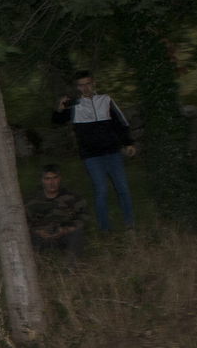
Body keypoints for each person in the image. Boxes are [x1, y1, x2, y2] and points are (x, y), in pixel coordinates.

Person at [52, 71, 137, 232]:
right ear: (77, 87)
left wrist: (128, 143)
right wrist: (59, 109)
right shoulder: (75, 105)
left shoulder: (106, 100)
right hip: (92, 156)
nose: (85, 87)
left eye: (88, 83)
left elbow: (121, 123)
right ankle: (105, 229)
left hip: (113, 153)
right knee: (101, 191)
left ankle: (130, 224)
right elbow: (57, 121)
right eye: (81, 85)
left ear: (93, 83)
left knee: (123, 188)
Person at [25, 164, 87, 264]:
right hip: (40, 237)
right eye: (48, 179)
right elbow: (24, 222)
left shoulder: (71, 196)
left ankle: (70, 269)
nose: (52, 182)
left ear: (60, 178)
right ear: (42, 180)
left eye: (55, 178)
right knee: (27, 240)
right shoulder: (33, 199)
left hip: (63, 236)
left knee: (78, 235)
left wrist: (65, 230)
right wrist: (39, 232)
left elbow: (83, 217)